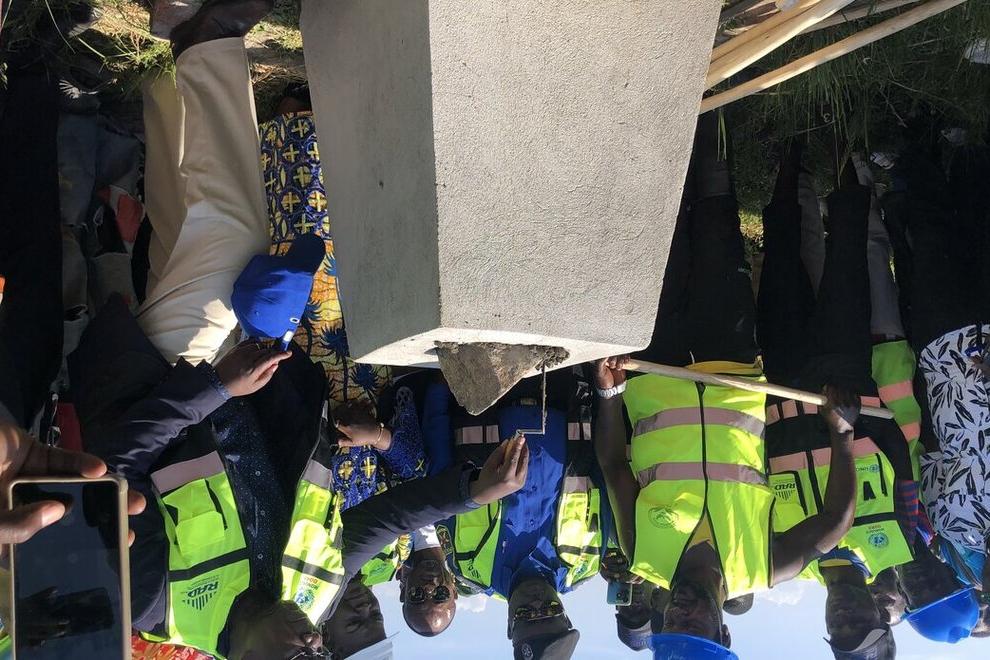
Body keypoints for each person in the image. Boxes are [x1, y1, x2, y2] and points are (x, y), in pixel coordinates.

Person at [594, 112, 859, 660]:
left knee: (661, 233)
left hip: (652, 363)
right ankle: (711, 101)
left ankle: (657, 117)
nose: (679, 613)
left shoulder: (643, 554)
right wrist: (841, 435)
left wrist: (609, 396)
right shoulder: (764, 566)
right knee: (717, 218)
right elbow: (834, 523)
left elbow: (615, 466)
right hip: (731, 365)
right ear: (723, 633)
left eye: (670, 624)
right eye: (693, 626)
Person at [757, 142, 930, 658]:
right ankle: (844, 140)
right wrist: (860, 414)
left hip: (783, 376)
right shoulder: (898, 539)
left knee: (781, 254)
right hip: (844, 370)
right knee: (847, 248)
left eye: (840, 631)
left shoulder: (790, 554)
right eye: (861, 625)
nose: (845, 618)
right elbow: (900, 456)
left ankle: (791, 155)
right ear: (881, 616)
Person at [422, 366, 602, 659]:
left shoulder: (468, 566)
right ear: (566, 614)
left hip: (483, 393)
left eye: (525, 614)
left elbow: (439, 476)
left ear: (509, 625)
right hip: (566, 390)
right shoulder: (587, 563)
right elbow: (603, 471)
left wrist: (439, 392)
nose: (536, 602)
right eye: (550, 610)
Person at [881, 126, 990, 594]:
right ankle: (968, 150)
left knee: (931, 244)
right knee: (981, 237)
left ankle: (915, 148)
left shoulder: (955, 536)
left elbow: (929, 450)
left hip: (944, 359)